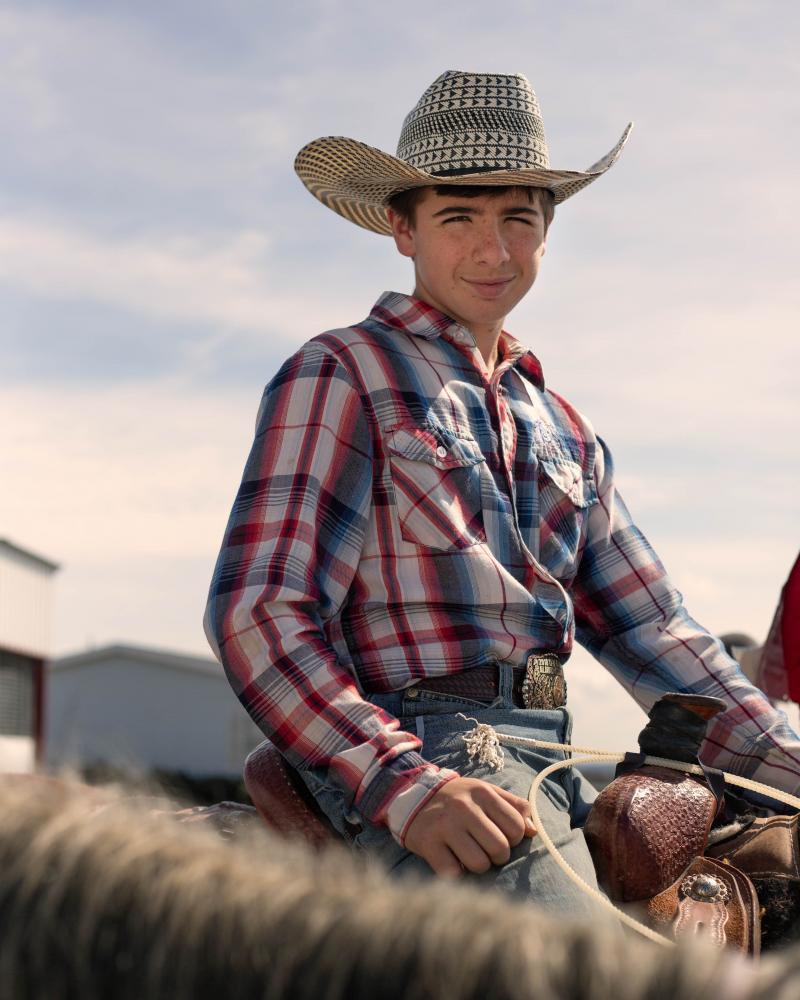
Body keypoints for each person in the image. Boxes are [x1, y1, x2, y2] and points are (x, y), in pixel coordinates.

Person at [204, 71, 800, 913]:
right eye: (458, 217)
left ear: (547, 231)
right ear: (401, 227)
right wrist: (400, 783)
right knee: (582, 972)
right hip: (421, 749)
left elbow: (655, 629)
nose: (494, 249)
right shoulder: (342, 372)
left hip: (554, 753)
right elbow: (258, 612)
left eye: (518, 217)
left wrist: (792, 764)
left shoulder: (564, 427)